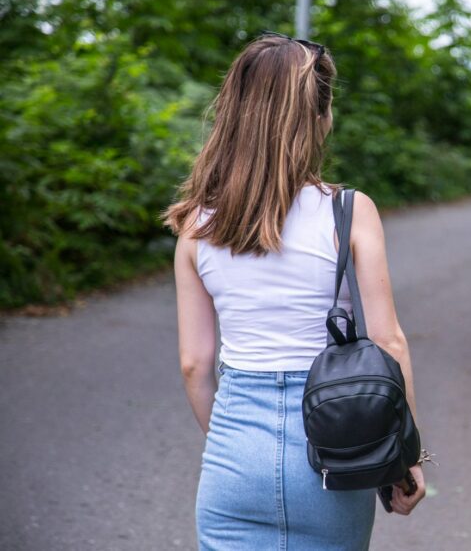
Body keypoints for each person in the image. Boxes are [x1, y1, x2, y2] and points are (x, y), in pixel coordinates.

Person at [161, 31, 426, 550]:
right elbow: (389, 343)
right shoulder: (349, 211)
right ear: (320, 118)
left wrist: (236, 450)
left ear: (233, 114)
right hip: (333, 452)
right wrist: (406, 458)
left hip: (233, 461)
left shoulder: (196, 224)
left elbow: (195, 364)